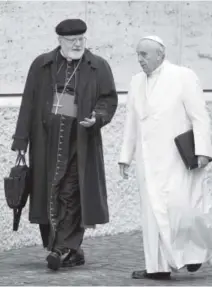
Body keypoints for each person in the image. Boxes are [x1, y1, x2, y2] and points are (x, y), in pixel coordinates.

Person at [11, 18, 118, 271]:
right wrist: (21, 140)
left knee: (71, 193)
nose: (78, 44)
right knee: (48, 192)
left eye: (82, 39)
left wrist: (98, 117)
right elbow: (28, 101)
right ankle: (69, 250)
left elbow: (108, 99)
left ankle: (62, 248)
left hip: (79, 142)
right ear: (59, 41)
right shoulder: (42, 65)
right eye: (72, 40)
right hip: (45, 143)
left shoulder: (97, 66)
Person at [119, 35, 212, 280]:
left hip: (178, 159)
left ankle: (194, 255)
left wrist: (203, 152)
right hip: (147, 160)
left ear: (160, 55)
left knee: (182, 209)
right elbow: (132, 120)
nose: (140, 59)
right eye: (137, 54)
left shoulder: (183, 76)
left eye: (144, 54)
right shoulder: (135, 82)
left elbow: (199, 116)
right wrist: (125, 156)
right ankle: (157, 268)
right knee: (152, 214)